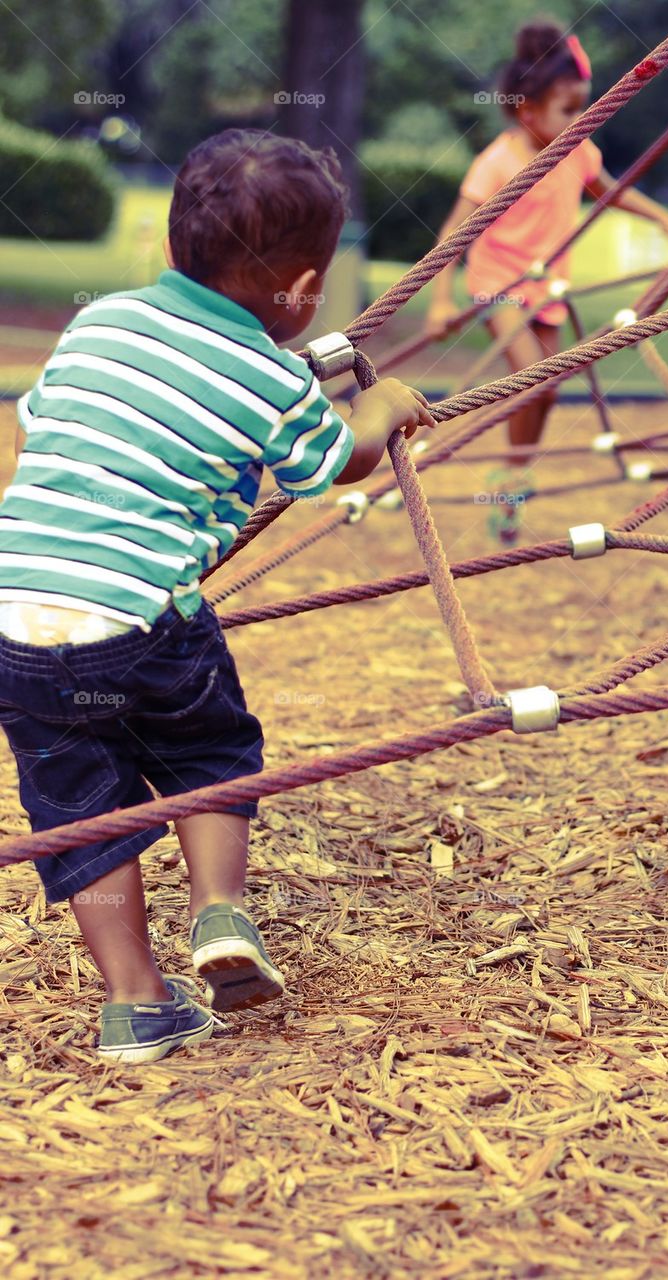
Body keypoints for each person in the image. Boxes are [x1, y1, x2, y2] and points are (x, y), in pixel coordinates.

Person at [0, 129, 434, 1064]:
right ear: (308, 290)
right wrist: (387, 404)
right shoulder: (273, 377)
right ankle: (219, 914)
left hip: (19, 621)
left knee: (79, 808)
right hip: (141, 622)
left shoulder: (101, 322)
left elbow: (59, 420)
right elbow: (337, 461)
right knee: (207, 746)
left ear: (168, 249)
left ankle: (134, 1003)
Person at [426, 19, 668, 544]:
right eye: (570, 111)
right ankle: (512, 475)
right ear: (527, 110)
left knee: (545, 391)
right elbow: (452, 233)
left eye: (585, 107)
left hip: (547, 286)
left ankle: (513, 474)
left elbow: (609, 191)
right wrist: (439, 299)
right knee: (533, 376)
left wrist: (660, 217)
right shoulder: (498, 163)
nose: (582, 120)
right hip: (498, 280)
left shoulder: (577, 152)